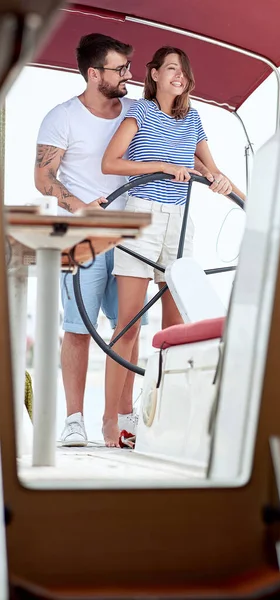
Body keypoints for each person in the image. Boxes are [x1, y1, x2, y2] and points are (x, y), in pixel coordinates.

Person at [101, 46, 244, 446]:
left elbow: (213, 172)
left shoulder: (192, 119)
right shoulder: (139, 113)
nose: (179, 75)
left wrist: (247, 202)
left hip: (180, 221)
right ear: (154, 74)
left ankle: (163, 424)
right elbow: (110, 163)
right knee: (128, 325)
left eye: (183, 70)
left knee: (176, 327)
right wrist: (161, 166)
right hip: (141, 215)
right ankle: (112, 421)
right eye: (171, 68)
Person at [34, 33, 144, 446]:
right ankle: (74, 420)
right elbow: (44, 179)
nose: (128, 76)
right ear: (94, 73)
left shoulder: (136, 111)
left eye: (128, 68)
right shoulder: (61, 117)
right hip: (81, 236)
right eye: (120, 69)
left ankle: (120, 418)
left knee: (128, 328)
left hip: (133, 235)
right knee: (78, 329)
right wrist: (82, 208)